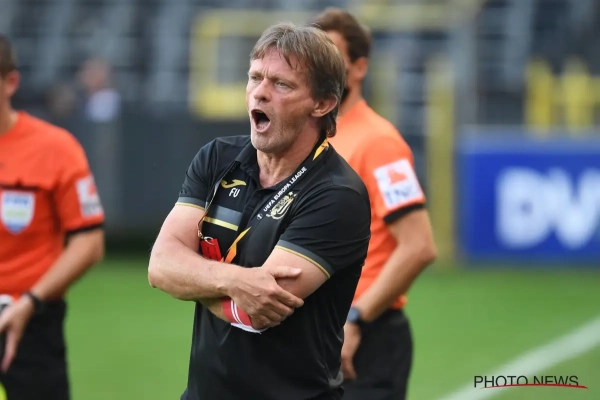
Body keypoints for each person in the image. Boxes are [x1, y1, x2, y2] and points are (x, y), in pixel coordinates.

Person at [148, 22, 371, 400]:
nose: (260, 92)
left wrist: (190, 274)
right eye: (255, 78)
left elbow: (255, 314)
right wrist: (236, 282)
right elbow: (160, 266)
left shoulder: (337, 194)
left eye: (281, 84)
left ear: (322, 104)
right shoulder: (217, 158)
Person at [310, 8, 438, 400]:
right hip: (316, 333)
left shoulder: (379, 143)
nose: (321, 69)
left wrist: (356, 318)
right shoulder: (314, 139)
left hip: (365, 336)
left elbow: (419, 246)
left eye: (332, 56)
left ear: (360, 67)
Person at [0, 35, 105, 400]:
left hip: (30, 319)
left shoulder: (55, 149)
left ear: (10, 82)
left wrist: (31, 300)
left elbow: (89, 242)